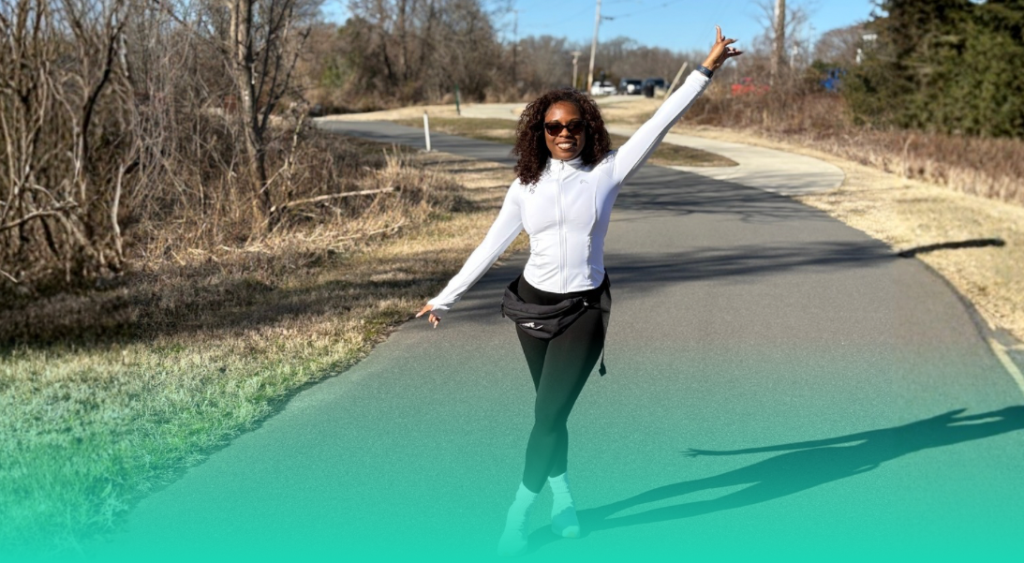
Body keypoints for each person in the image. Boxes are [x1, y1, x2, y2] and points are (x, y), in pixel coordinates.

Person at [415, 27, 742, 556]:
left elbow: (661, 120)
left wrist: (706, 69)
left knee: (547, 415)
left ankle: (517, 516)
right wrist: (446, 296)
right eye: (553, 126)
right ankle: (564, 499)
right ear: (539, 133)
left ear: (588, 130)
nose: (564, 132)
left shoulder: (608, 173)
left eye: (573, 125)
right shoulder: (524, 189)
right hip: (530, 307)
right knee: (553, 413)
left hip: (585, 308)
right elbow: (489, 247)